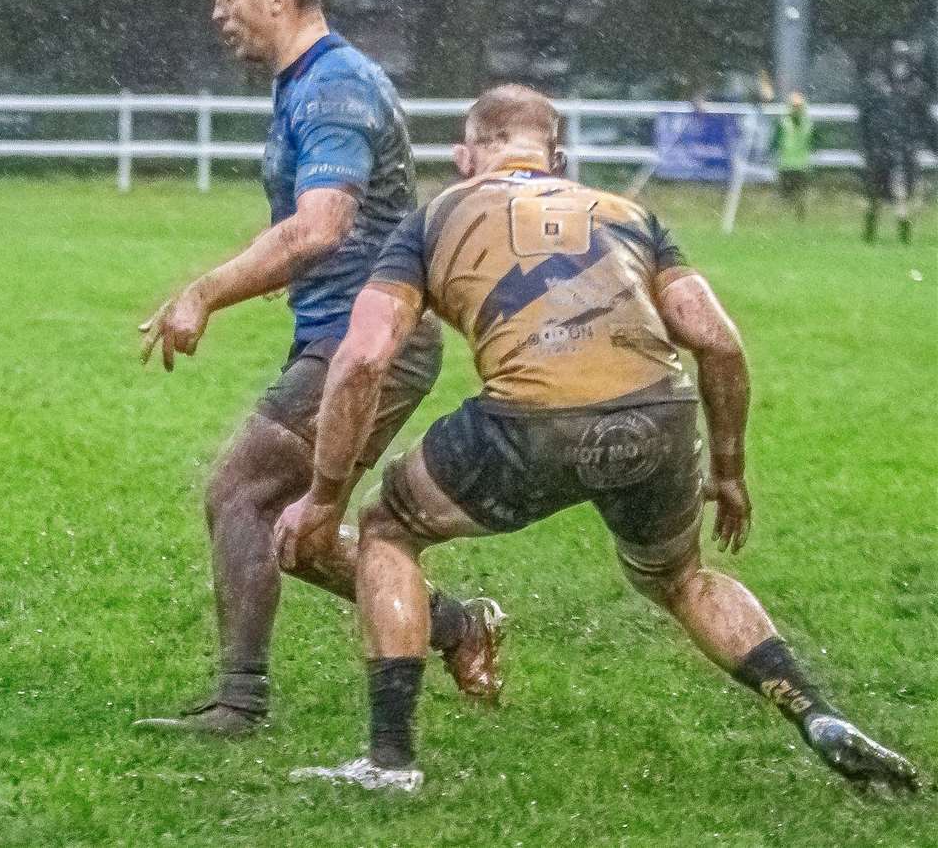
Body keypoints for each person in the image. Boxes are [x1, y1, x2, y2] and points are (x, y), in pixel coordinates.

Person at [282, 85, 919, 795]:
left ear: (466, 155)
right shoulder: (630, 214)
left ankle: (390, 761)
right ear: (557, 157)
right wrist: (730, 470)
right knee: (681, 578)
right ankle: (815, 710)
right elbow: (718, 342)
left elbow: (365, 357)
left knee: (385, 526)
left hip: (530, 423)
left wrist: (321, 495)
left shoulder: (435, 218)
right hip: (660, 417)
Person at [131, 0, 503, 736]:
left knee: (241, 492)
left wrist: (205, 292)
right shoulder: (305, 82)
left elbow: (322, 225)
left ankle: (240, 700)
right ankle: (456, 623)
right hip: (349, 333)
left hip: (372, 342)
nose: (218, 12)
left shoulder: (335, 86)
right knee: (298, 530)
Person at [856, 41, 932, 244]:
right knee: (875, 193)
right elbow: (865, 118)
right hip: (881, 149)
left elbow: (925, 122)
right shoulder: (876, 85)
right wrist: (866, 145)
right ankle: (870, 232)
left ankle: (902, 235)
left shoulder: (915, 89)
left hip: (903, 149)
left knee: (903, 193)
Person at [770, 92, 813, 219]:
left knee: (799, 196)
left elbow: (815, 142)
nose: (796, 109)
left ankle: (797, 219)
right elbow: (774, 143)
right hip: (786, 165)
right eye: (794, 106)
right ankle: (786, 219)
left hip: (801, 166)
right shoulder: (783, 124)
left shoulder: (808, 124)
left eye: (798, 106)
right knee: (786, 196)